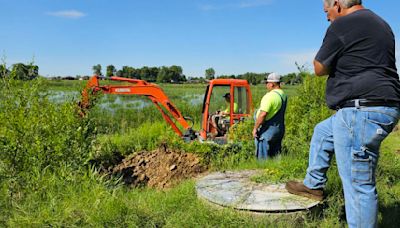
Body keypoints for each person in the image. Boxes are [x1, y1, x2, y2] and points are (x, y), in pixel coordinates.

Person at [285, 1, 400, 227]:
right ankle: (314, 184)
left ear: (336, 4)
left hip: (360, 111)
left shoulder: (342, 24)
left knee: (358, 186)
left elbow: (319, 68)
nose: (327, 17)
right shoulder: (381, 24)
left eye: (326, 11)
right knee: (323, 131)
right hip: (386, 106)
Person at [253, 72, 287, 159]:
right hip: (279, 128)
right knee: (275, 156)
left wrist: (255, 128)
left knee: (262, 157)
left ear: (271, 84)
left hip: (268, 130)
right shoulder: (283, 95)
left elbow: (263, 114)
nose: (266, 85)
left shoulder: (270, 96)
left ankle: (262, 170)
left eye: (267, 83)